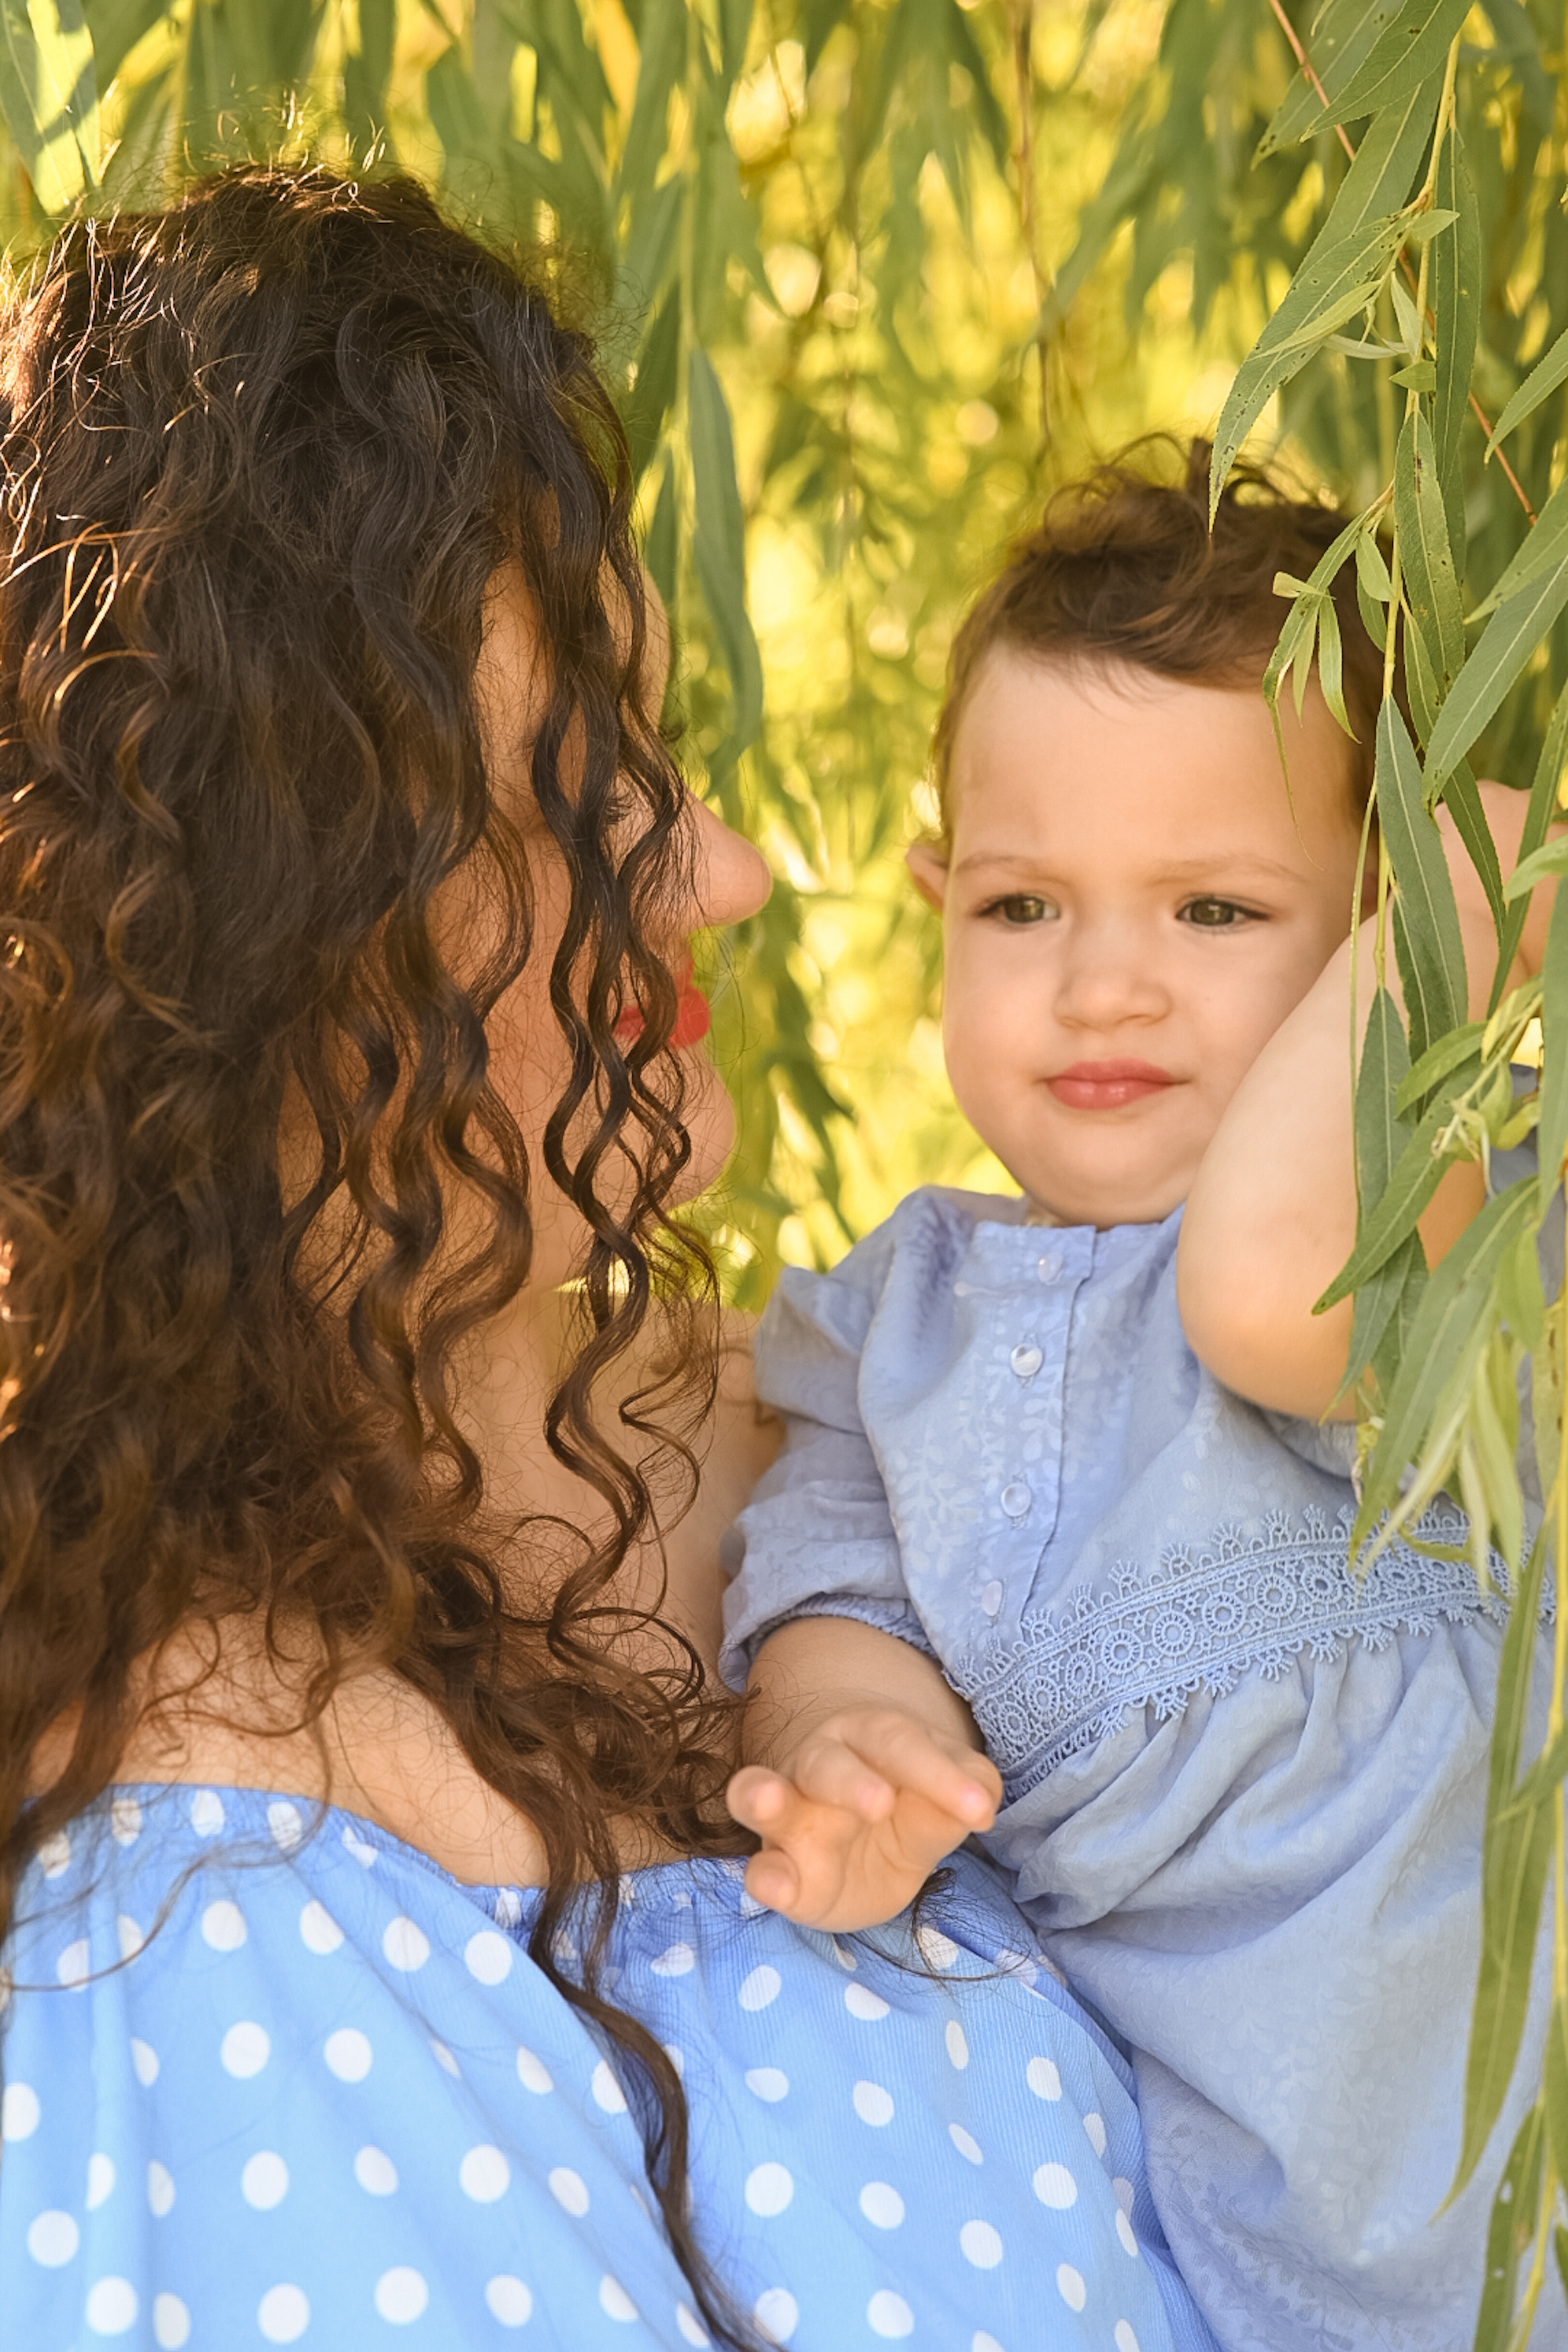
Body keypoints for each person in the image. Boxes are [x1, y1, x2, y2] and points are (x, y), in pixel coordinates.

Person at [0, 169, 1218, 2352]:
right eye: (575, 800)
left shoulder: (907, 1449)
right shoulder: (163, 1923)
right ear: (265, 945)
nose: (727, 869)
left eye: (663, 751)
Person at [721, 443, 1558, 2352]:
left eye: (1214, 913)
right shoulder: (881, 1324)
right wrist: (856, 1739)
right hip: (1231, 2261)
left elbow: (1272, 1291)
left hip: (1498, 2189)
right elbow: (827, 1586)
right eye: (1022, 908)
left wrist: (1477, 911)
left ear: (1385, 943)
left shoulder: (1442, 1227)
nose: (1104, 985)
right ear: (933, 902)